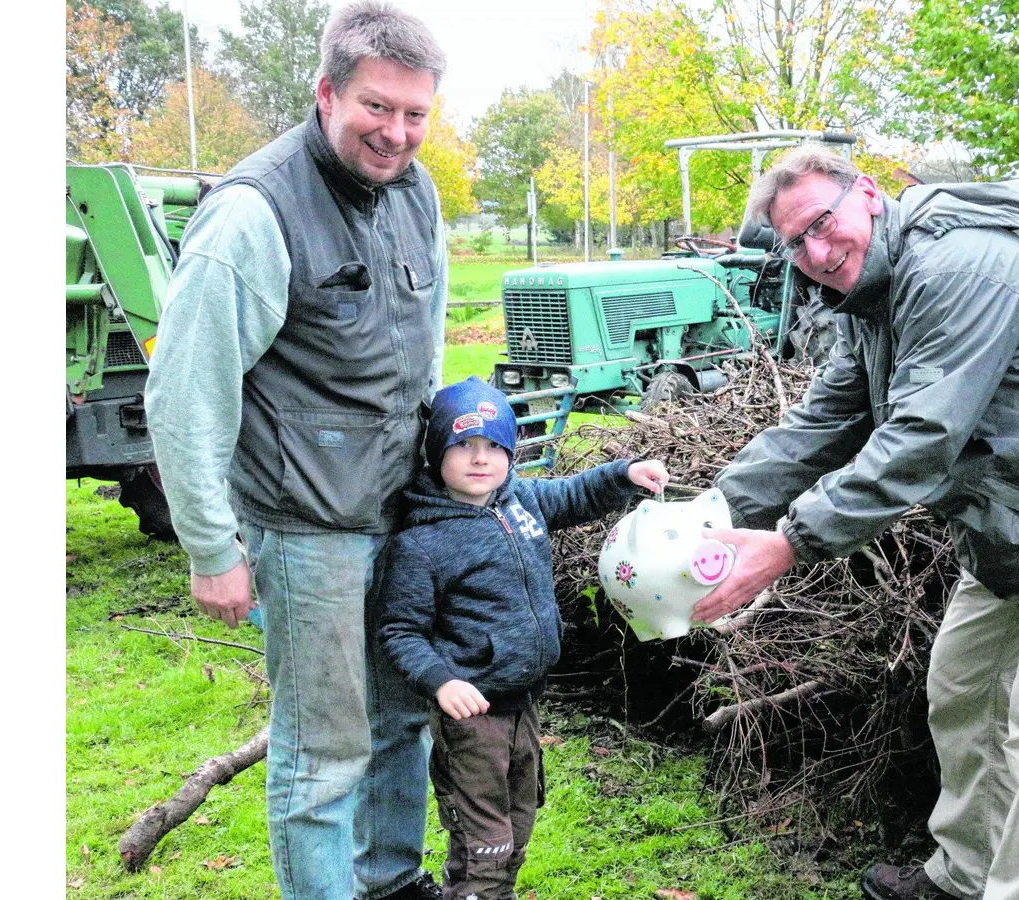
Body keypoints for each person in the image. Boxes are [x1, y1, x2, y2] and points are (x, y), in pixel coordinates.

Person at [693, 147, 1019, 900]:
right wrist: (711, 512)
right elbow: (826, 421)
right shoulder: (872, 298)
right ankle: (964, 876)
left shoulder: (959, 270)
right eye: (795, 243)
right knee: (963, 689)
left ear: (866, 194)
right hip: (1016, 519)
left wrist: (787, 543)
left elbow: (921, 440)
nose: (816, 252)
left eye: (822, 224)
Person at [144, 3, 450, 897]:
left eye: (416, 113)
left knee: (400, 718)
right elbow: (185, 391)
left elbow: (424, 344)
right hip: (306, 525)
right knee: (324, 754)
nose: (397, 134)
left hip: (401, 511)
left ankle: (391, 881)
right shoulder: (254, 213)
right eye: (376, 107)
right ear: (326, 92)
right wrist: (211, 549)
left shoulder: (416, 189)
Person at [377, 376, 670, 900]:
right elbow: (400, 631)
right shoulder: (420, 543)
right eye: (462, 445)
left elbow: (578, 494)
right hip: (473, 720)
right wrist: (441, 681)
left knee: (518, 824)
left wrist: (625, 474)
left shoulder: (522, 501)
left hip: (525, 704)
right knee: (483, 838)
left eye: (494, 446)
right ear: (436, 453)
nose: (480, 458)